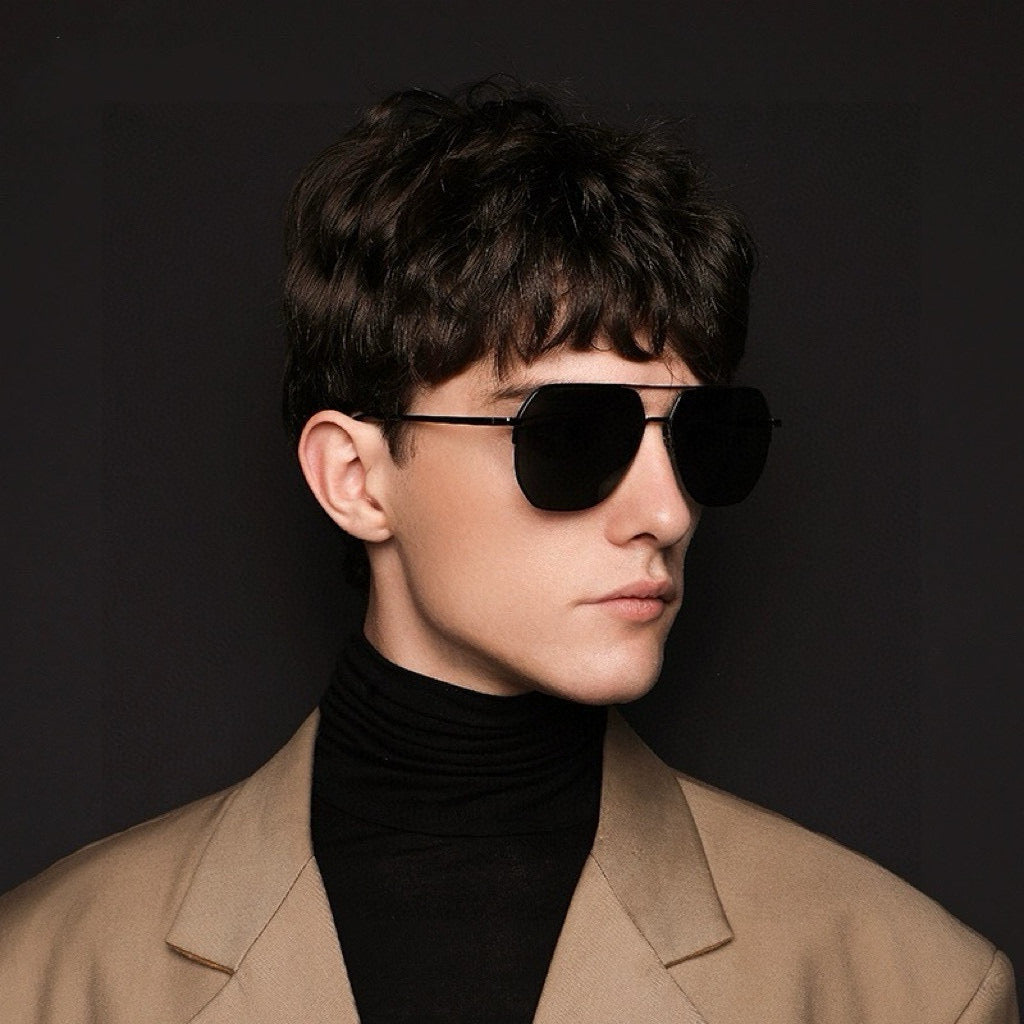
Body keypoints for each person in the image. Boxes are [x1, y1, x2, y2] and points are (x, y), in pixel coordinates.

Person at [0, 83, 1016, 1024]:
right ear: (355, 478)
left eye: (705, 439)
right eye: (571, 435)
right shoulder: (45, 974)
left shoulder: (909, 991)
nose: (666, 510)